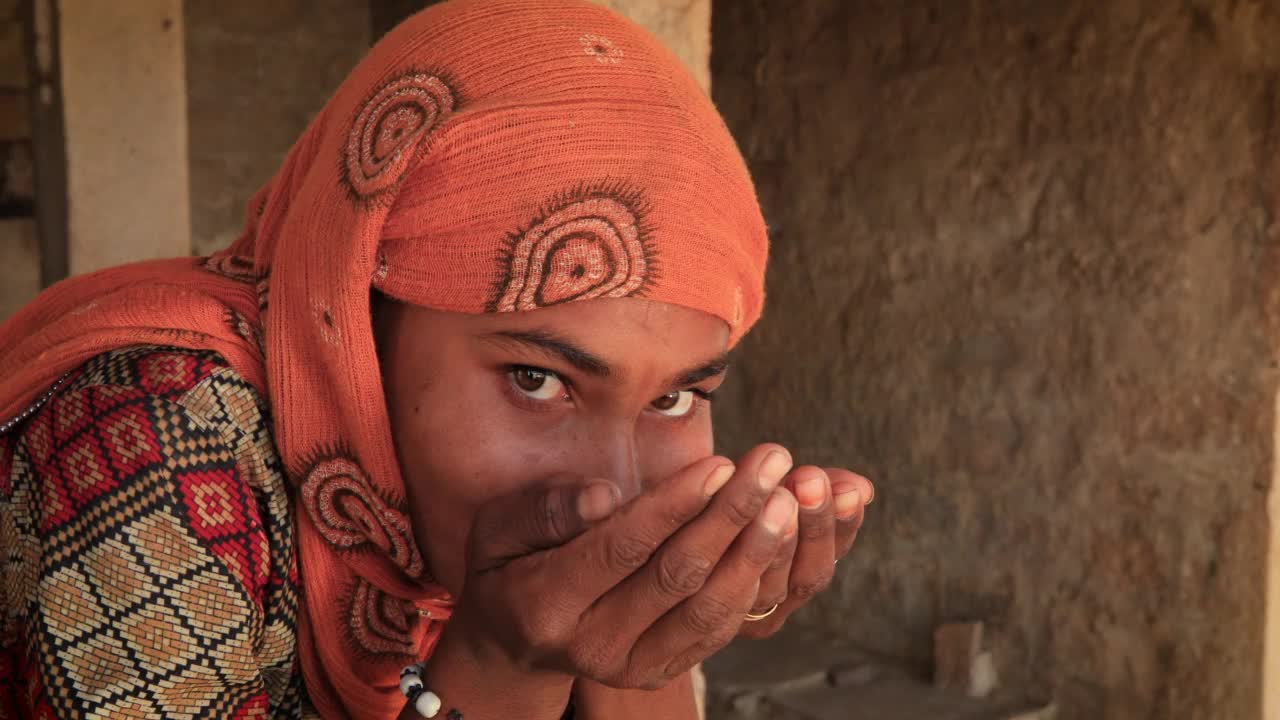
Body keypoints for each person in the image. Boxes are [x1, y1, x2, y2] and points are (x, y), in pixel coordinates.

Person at [0, 0, 873, 718]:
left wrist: (637, 639)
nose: (616, 490)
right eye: (538, 380)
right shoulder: (155, 430)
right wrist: (505, 663)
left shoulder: (472, 513)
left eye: (675, 400)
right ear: (352, 319)